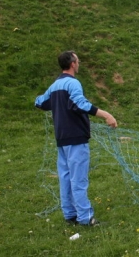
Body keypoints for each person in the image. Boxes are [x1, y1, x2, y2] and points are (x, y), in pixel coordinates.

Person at [35, 51, 117, 226]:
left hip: (62, 138)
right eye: (78, 61)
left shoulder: (55, 85)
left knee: (65, 177)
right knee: (78, 179)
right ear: (73, 64)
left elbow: (40, 102)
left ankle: (70, 214)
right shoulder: (73, 83)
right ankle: (85, 218)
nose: (79, 64)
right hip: (75, 138)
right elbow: (80, 103)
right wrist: (106, 115)